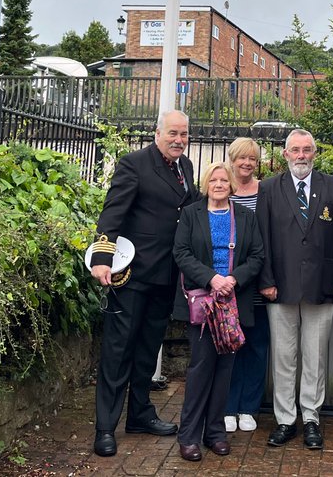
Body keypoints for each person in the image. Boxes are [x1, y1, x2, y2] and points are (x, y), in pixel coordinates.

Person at [89, 110, 199, 458]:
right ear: (157, 133)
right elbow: (112, 212)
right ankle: (105, 427)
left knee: (148, 350)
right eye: (173, 133)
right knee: (118, 351)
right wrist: (102, 257)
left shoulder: (186, 167)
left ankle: (139, 415)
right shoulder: (134, 164)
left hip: (167, 275)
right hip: (133, 276)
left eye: (184, 134)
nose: (179, 140)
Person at [258, 128, 333, 451]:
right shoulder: (268, 189)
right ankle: (285, 420)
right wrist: (266, 280)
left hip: (322, 283)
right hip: (280, 286)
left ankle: (311, 418)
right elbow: (262, 238)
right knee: (284, 357)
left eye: (307, 150)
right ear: (285, 154)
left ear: (315, 153)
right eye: (295, 150)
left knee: (315, 356)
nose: (301, 155)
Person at [173, 161, 265, 462]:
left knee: (225, 369)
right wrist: (212, 278)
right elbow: (181, 253)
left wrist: (233, 279)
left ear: (231, 185)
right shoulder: (191, 214)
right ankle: (188, 436)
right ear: (206, 184)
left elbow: (257, 256)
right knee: (201, 368)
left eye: (224, 180)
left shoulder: (246, 217)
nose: (219, 185)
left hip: (233, 301)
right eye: (214, 180)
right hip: (203, 301)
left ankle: (214, 433)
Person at [223, 137, 269, 433]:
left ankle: (249, 407)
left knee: (256, 345)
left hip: (257, 280)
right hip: (227, 284)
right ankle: (228, 406)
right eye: (242, 157)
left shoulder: (267, 191)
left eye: (252, 158)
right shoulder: (220, 188)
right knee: (229, 345)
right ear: (232, 159)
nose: (247, 163)